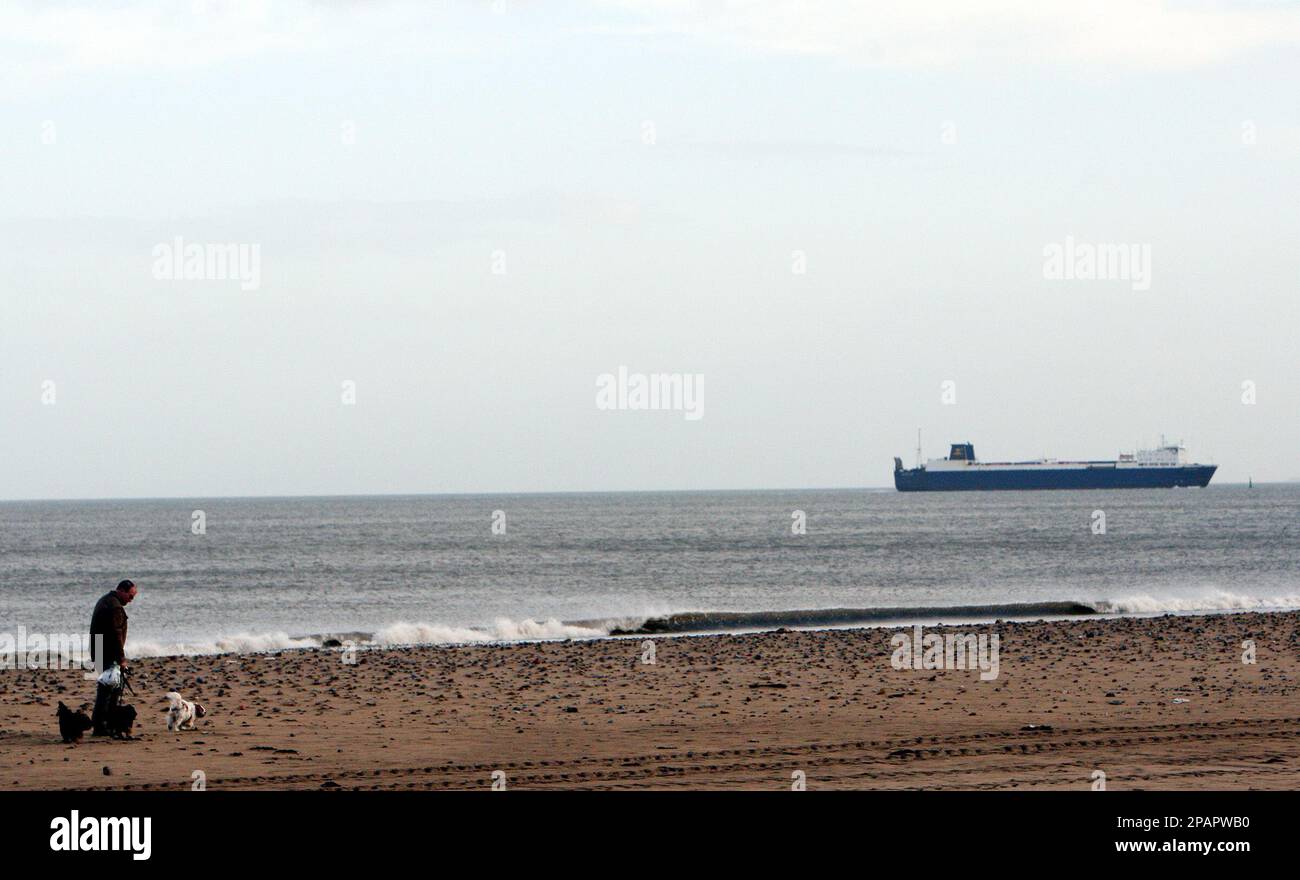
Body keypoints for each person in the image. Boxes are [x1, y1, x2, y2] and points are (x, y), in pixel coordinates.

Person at [90, 579, 137, 736]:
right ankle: (104, 726)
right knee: (110, 691)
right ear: (121, 591)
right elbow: (116, 634)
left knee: (106, 690)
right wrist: (121, 659)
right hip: (107, 653)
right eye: (130, 596)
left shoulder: (105, 600)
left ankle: (103, 725)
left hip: (98, 650)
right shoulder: (115, 607)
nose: (131, 600)